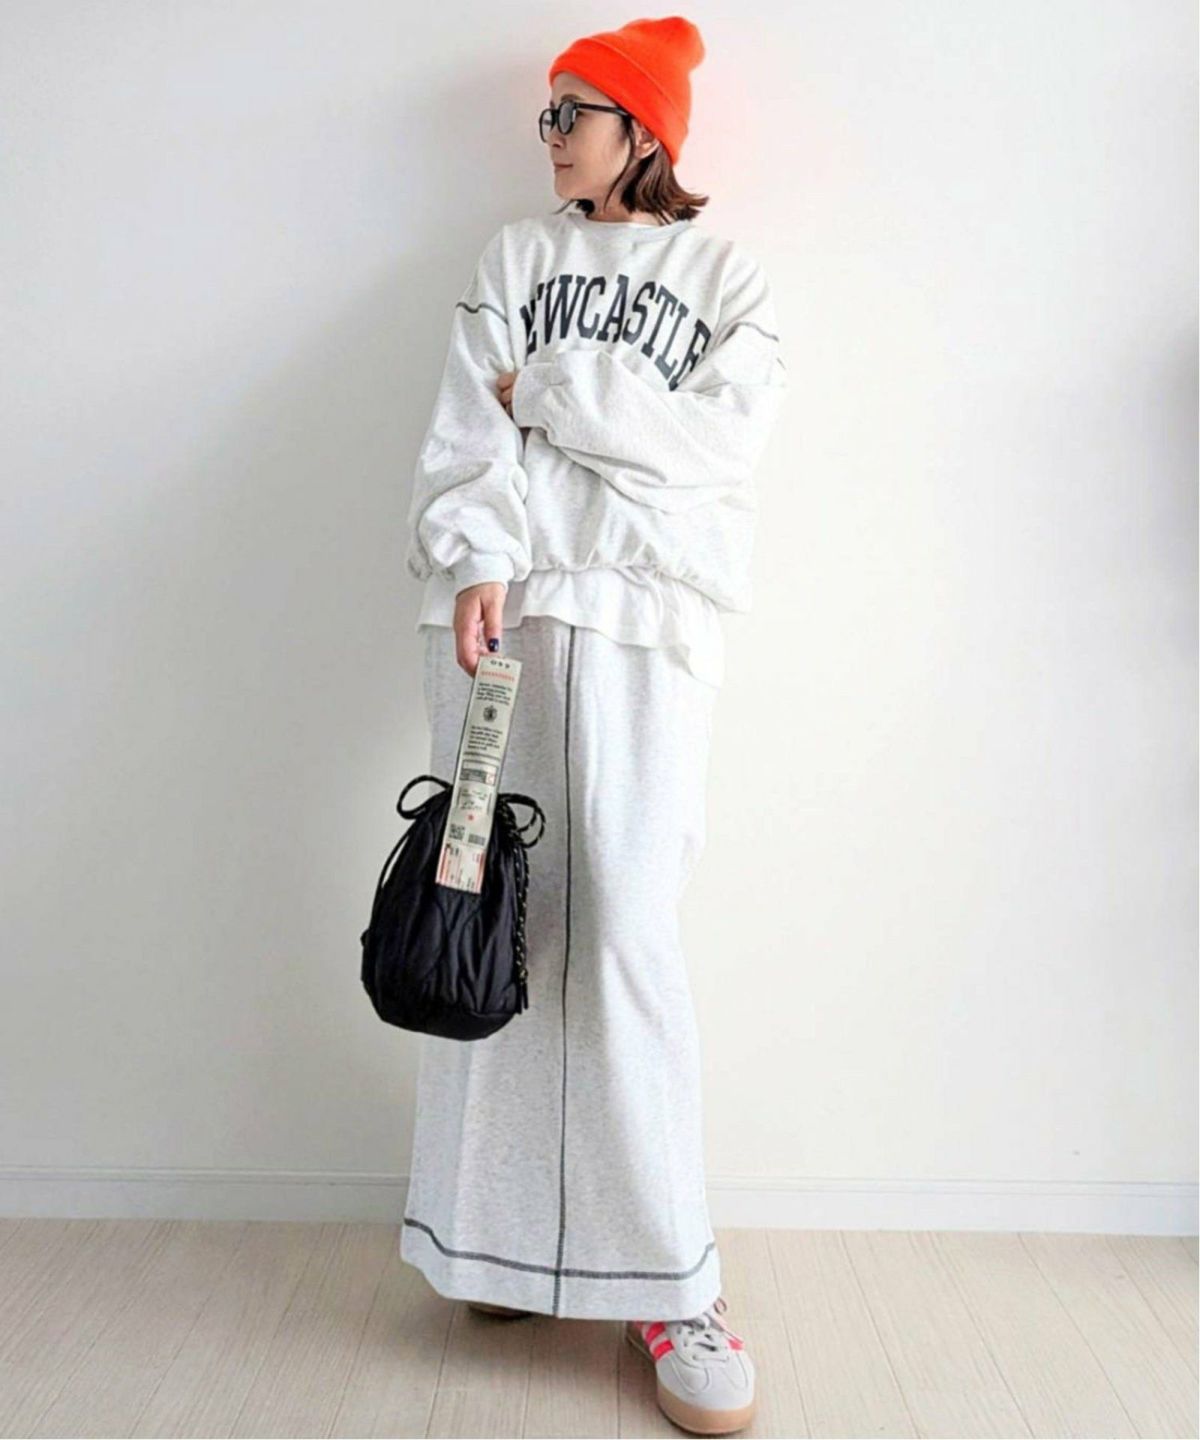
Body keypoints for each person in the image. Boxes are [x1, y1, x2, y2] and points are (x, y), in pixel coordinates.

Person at [400, 16, 787, 1435]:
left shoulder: (725, 276)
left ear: (645, 130)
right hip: (499, 617)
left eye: (578, 110)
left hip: (649, 625)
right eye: (548, 112)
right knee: (494, 919)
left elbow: (717, 454)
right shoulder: (514, 257)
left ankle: (674, 1280)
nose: (552, 133)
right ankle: (496, 1246)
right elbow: (468, 435)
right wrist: (484, 544)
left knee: (623, 925)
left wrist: (553, 392)